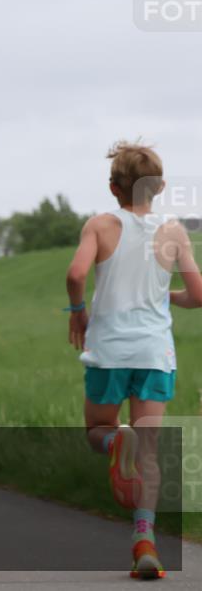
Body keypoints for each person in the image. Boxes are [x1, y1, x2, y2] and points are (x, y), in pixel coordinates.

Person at [66, 141, 201, 579]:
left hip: (109, 353)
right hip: (154, 354)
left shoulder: (101, 226)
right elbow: (198, 295)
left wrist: (78, 311)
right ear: (159, 187)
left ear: (113, 187)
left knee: (96, 430)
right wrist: (167, 296)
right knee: (149, 451)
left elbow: (75, 275)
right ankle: (145, 540)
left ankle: (112, 443)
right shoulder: (175, 232)